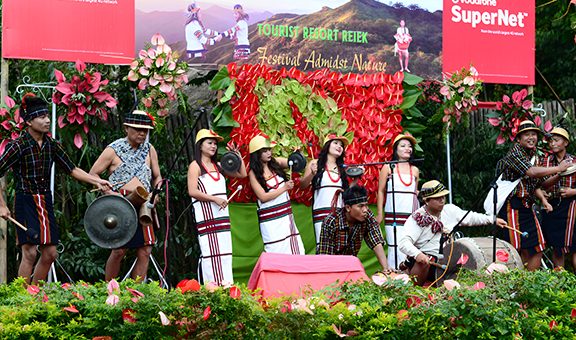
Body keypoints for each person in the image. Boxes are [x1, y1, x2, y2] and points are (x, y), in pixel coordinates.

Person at [0, 94, 111, 284]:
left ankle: (34, 295)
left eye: (47, 116)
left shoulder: (51, 145)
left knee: (50, 253)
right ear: (28, 121)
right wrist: (2, 205)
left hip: (45, 201)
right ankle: (20, 300)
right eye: (41, 117)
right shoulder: (17, 145)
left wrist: (97, 181)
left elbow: (72, 169)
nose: (47, 120)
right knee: (29, 253)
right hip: (25, 201)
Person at [89, 110, 162, 281]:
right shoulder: (112, 150)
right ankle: (109, 290)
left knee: (145, 249)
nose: (142, 133)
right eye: (137, 129)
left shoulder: (150, 150)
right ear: (126, 128)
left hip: (144, 202)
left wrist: (156, 192)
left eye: (145, 130)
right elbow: (93, 174)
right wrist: (109, 192)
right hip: (120, 203)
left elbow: (157, 176)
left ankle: (136, 293)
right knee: (118, 249)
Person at [398, 180, 507, 286]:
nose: (442, 200)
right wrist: (418, 254)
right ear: (426, 201)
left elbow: (470, 217)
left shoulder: (449, 210)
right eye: (437, 198)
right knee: (423, 263)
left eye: (443, 197)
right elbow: (403, 243)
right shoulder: (417, 218)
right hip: (427, 264)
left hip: (447, 261)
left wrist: (492, 219)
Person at [496, 120, 571, 271]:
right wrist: (558, 167)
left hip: (527, 206)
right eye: (526, 135)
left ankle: (529, 284)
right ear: (518, 139)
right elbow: (531, 172)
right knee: (514, 248)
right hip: (512, 207)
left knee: (538, 246)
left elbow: (542, 183)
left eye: (534, 134)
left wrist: (560, 173)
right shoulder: (515, 153)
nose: (531, 137)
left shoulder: (534, 154)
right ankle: (514, 286)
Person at [188, 129, 247, 285]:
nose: (213, 146)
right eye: (210, 143)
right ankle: (213, 289)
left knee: (225, 253)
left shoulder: (219, 166)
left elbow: (243, 174)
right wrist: (214, 199)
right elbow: (192, 191)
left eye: (215, 143)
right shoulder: (195, 166)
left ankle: (228, 288)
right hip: (208, 217)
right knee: (212, 254)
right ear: (200, 146)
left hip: (222, 217)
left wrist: (237, 156)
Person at [248, 135, 304, 254]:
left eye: (269, 150)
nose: (269, 153)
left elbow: (293, 163)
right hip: (270, 221)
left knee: (295, 249)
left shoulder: (276, 163)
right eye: (265, 151)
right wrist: (284, 188)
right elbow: (262, 197)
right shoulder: (253, 173)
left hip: (285, 216)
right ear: (256, 154)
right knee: (275, 251)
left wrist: (297, 154)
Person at [317, 185, 389, 271]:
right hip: (330, 267)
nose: (365, 210)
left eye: (366, 205)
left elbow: (376, 242)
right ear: (348, 208)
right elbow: (326, 257)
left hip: (351, 266)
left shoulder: (367, 216)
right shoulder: (331, 221)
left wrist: (386, 268)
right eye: (361, 206)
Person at [376, 133, 420, 269]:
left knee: (410, 248)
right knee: (394, 247)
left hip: (410, 216)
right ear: (396, 149)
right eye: (403, 145)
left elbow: (415, 194)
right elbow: (380, 191)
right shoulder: (389, 167)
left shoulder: (415, 170)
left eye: (409, 146)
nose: (407, 148)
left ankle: (409, 278)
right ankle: (393, 277)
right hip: (393, 215)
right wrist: (379, 213)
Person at [300, 134, 350, 247]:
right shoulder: (315, 163)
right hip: (322, 213)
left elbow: (345, 194)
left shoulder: (342, 168)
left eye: (341, 145)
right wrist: (312, 174)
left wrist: (356, 179)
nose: (339, 146)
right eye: (335, 143)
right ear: (327, 145)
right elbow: (303, 185)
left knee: (339, 247)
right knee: (324, 247)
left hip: (339, 214)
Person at [538, 127, 576, 269]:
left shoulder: (574, 161)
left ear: (565, 143)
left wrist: (573, 192)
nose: (552, 143)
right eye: (550, 141)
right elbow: (540, 184)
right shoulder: (545, 162)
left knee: (574, 245)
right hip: (551, 205)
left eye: (556, 140)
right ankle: (559, 284)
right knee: (556, 245)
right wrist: (559, 172)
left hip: (571, 207)